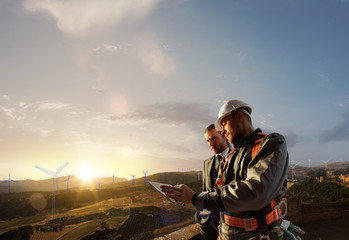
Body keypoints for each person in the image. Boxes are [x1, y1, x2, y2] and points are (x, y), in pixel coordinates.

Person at [161, 100, 289, 240]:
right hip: (225, 233)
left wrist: (195, 198)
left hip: (257, 235)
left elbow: (256, 191)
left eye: (224, 124)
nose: (222, 131)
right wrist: (185, 197)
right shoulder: (232, 155)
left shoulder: (272, 143)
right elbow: (218, 192)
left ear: (240, 117)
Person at [196, 124, 230, 240]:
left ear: (224, 136)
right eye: (208, 141)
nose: (210, 144)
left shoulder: (238, 158)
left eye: (214, 138)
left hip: (231, 225)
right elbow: (205, 190)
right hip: (208, 225)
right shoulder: (207, 163)